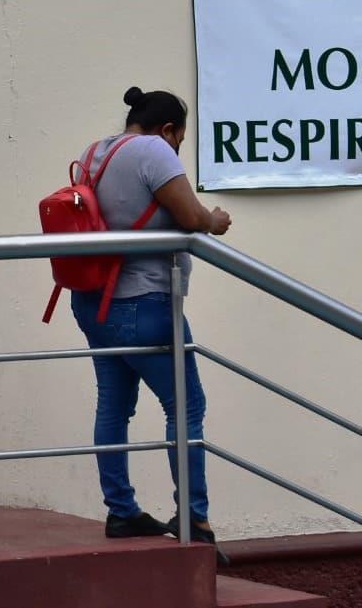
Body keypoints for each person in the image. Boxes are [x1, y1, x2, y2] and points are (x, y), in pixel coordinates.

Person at [68, 86, 233, 561]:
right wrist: (214, 219)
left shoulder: (95, 150)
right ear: (168, 130)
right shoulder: (155, 151)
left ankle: (121, 510)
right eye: (180, 137)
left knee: (113, 406)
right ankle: (195, 521)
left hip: (95, 302)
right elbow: (191, 215)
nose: (178, 146)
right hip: (145, 305)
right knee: (186, 408)